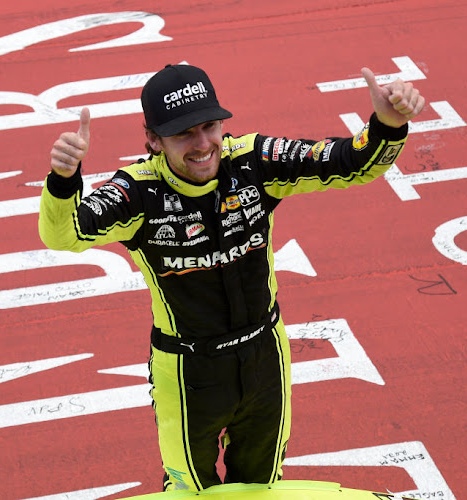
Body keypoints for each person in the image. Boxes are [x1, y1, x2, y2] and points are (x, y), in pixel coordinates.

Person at [39, 63, 425, 491]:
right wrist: (63, 181)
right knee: (190, 491)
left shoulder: (254, 159)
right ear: (152, 139)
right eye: (184, 133)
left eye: (210, 126)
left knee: (262, 486)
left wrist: (387, 126)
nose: (203, 144)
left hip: (265, 355)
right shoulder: (136, 191)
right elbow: (64, 234)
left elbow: (351, 163)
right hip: (188, 371)